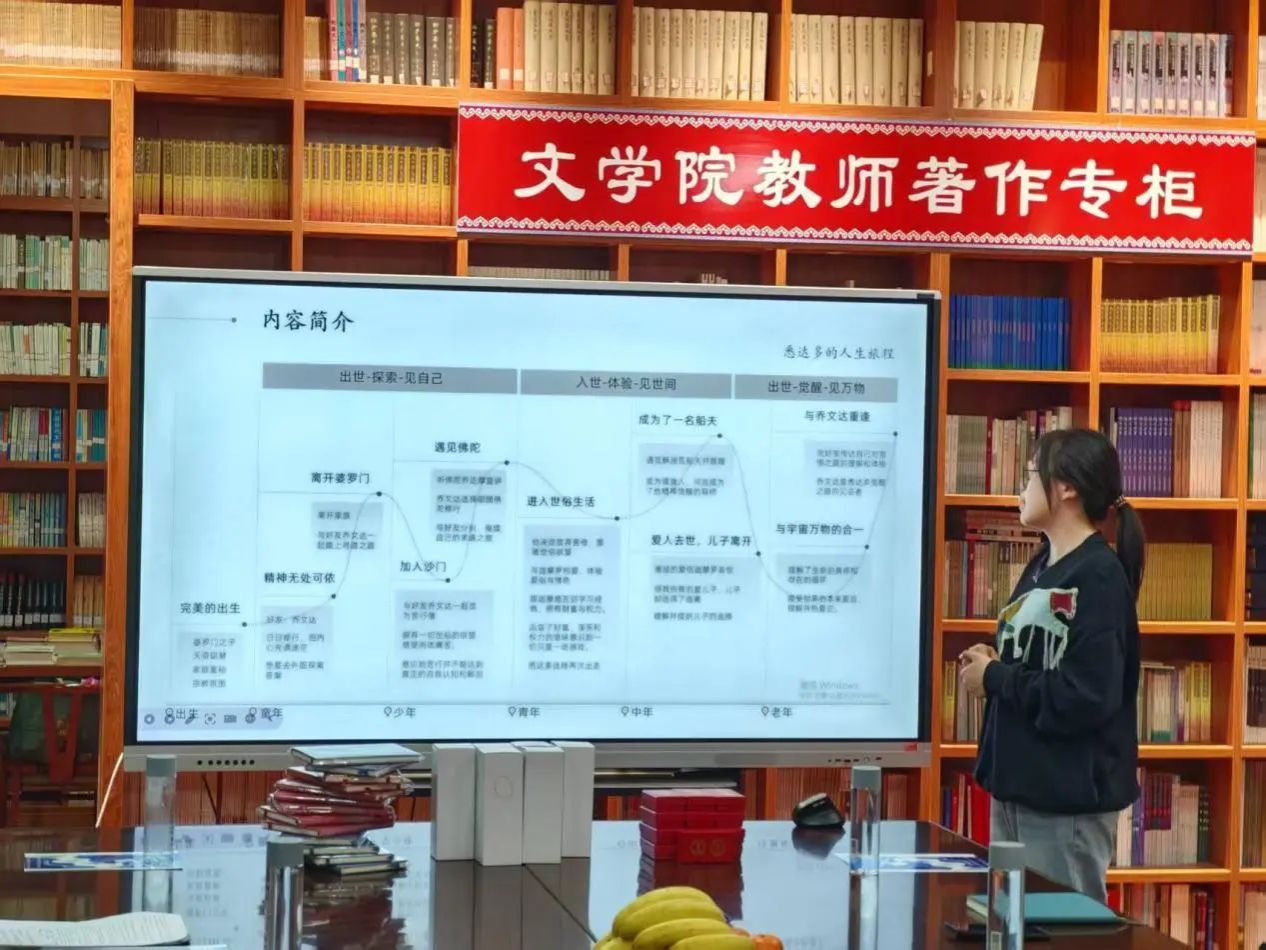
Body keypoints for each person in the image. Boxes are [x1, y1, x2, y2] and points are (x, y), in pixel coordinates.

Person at [957, 427, 1144, 904]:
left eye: (1030, 474)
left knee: (1062, 930)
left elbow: (1085, 696)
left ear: (1066, 488)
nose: (1020, 489)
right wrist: (994, 662)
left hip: (1065, 804)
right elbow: (1040, 661)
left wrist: (996, 678)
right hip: (1018, 790)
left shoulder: (1098, 577)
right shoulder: (1044, 562)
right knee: (1012, 925)